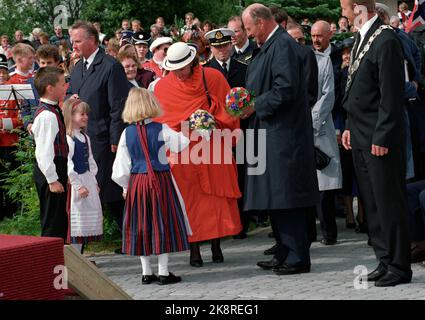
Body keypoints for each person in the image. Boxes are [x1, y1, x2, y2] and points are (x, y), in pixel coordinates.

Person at [241, 4, 319, 275]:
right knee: (275, 198)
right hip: (270, 133)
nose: (250, 36)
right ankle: (284, 251)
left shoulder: (282, 45)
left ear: (261, 22)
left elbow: (285, 89)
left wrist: (255, 105)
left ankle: (298, 256)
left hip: (284, 135)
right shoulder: (268, 46)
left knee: (287, 197)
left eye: (250, 29)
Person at [340, 0, 412, 287]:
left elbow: (390, 95)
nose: (342, 13)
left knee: (388, 202)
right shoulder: (361, 38)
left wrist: (382, 136)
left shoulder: (386, 40)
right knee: (372, 203)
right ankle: (385, 259)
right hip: (359, 133)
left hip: (379, 137)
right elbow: (357, 86)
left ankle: (399, 265)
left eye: (344, 7)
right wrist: (348, 125)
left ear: (359, 8)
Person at [154, 42, 242, 267]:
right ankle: (193, 249)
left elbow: (227, 109)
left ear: (192, 62)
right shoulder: (163, 87)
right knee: (190, 201)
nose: (179, 73)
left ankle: (216, 246)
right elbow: (161, 121)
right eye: (174, 69)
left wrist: (211, 121)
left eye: (182, 68)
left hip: (211, 145)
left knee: (215, 199)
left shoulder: (212, 76)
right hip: (182, 151)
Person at [112, 87, 191, 285]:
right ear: (151, 104)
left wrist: (125, 186)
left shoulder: (126, 133)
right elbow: (181, 144)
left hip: (138, 181)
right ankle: (163, 272)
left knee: (141, 224)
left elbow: (121, 165)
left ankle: (146, 272)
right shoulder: (161, 128)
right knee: (161, 222)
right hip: (160, 180)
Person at [68, 21, 131, 250]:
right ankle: (80, 247)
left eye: (77, 40)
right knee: (85, 193)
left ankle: (131, 238)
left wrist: (116, 138)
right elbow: (69, 96)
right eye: (72, 40)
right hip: (81, 140)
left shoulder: (110, 66)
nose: (73, 45)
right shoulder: (78, 68)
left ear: (92, 40)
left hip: (104, 140)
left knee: (111, 192)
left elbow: (118, 106)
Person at [204, 28, 250, 239]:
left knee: (242, 175)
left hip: (242, 130)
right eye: (217, 47)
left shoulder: (244, 67)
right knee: (221, 179)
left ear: (231, 44)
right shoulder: (204, 72)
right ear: (211, 48)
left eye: (224, 46)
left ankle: (242, 223)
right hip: (218, 133)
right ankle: (222, 224)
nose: (222, 50)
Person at [311, 21, 343, 245]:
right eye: (311, 36)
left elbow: (329, 96)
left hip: (324, 126)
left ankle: (330, 233)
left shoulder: (336, 57)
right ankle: (315, 232)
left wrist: (312, 121)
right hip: (306, 128)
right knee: (315, 185)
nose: (315, 40)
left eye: (319, 36)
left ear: (329, 34)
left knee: (326, 186)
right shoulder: (308, 60)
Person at [32, 66, 69, 240]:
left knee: (59, 220)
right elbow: (44, 152)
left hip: (56, 168)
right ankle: (49, 263)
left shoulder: (52, 111)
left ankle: (57, 261)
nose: (65, 87)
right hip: (50, 171)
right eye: (62, 84)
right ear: (50, 88)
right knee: (53, 222)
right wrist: (52, 180)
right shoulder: (48, 115)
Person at [63, 98, 103, 254]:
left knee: (85, 223)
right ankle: (74, 259)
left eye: (86, 114)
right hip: (76, 183)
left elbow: (91, 161)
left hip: (87, 179)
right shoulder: (69, 138)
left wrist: (93, 182)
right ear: (71, 115)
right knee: (76, 224)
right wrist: (78, 185)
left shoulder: (85, 137)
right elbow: (68, 164)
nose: (86, 117)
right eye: (82, 114)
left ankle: (79, 257)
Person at [0, 54, 18, 220]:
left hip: (10, 142)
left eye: (3, 71)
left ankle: (12, 211)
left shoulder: (14, 90)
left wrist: (7, 123)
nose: (1, 74)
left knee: (11, 175)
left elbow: (21, 118)